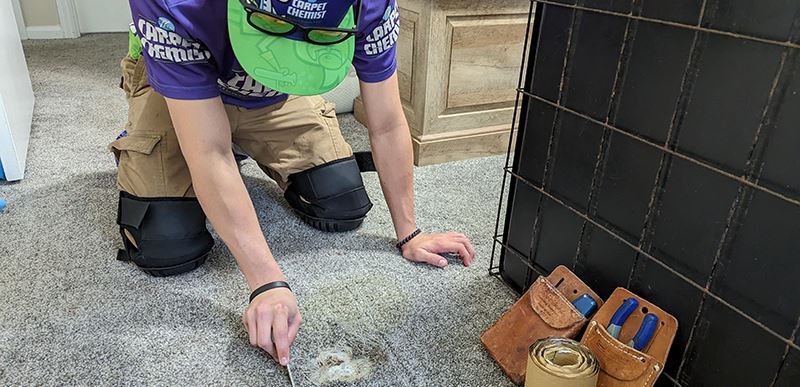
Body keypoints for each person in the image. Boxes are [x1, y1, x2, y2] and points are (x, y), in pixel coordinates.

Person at [113, 0, 476, 367]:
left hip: (273, 91)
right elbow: (210, 152)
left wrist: (409, 232)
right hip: (182, 91)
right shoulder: (178, 5)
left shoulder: (370, 4)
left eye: (323, 33)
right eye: (275, 25)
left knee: (340, 200)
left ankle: (247, 136)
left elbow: (386, 122)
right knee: (167, 242)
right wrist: (267, 283)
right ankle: (150, 140)